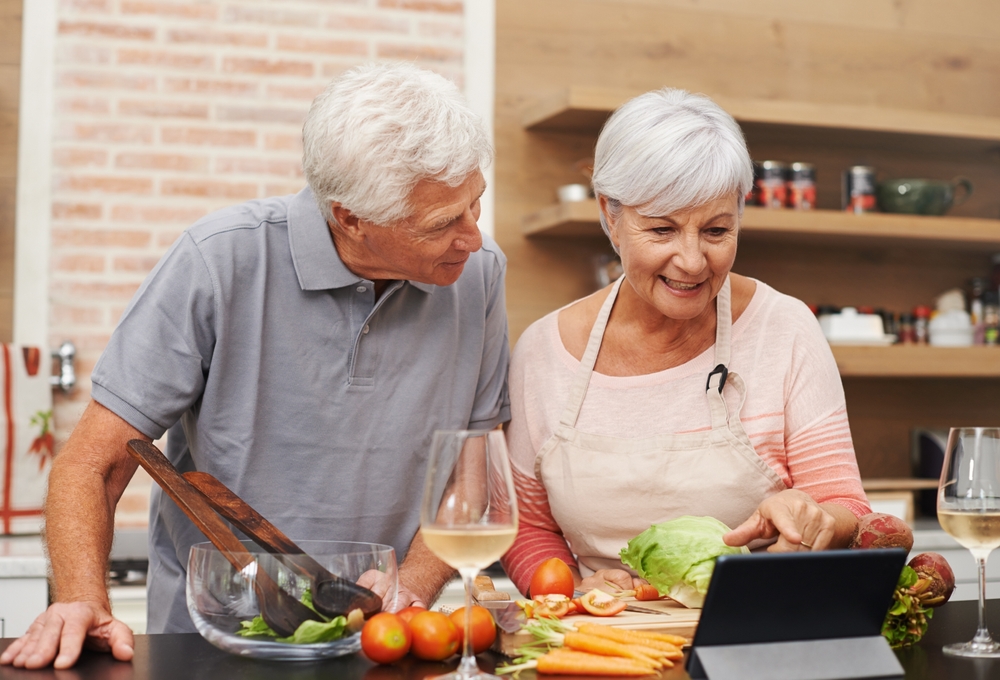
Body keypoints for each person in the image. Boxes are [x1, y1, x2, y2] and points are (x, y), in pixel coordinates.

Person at [1, 62, 510, 670]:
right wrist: (82, 600)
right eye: (442, 224)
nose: (473, 237)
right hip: (209, 642)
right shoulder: (219, 261)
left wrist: (413, 588)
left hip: (381, 647)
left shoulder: (479, 275)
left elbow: (472, 466)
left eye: (474, 204)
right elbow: (94, 461)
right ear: (349, 217)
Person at [499, 88, 871, 597]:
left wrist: (814, 519)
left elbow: (845, 505)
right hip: (602, 645)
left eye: (717, 231)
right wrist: (565, 589)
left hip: (752, 629)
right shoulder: (544, 351)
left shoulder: (785, 329)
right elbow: (527, 527)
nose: (693, 261)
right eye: (662, 230)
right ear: (610, 214)